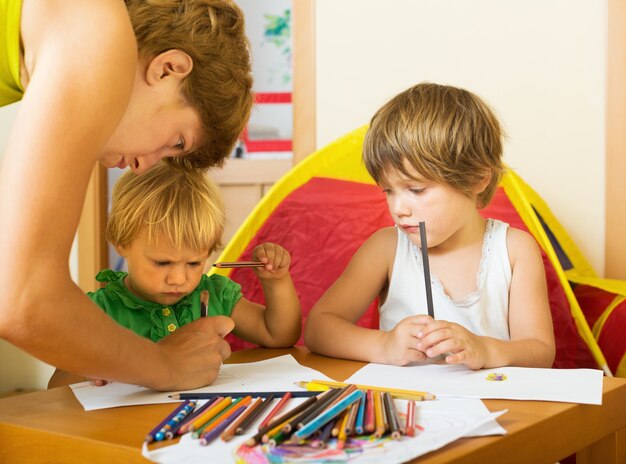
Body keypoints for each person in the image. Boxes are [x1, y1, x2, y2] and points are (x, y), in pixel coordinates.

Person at [0, 0, 254, 390]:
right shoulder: (96, 32)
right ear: (168, 68)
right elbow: (24, 301)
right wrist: (165, 365)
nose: (146, 165)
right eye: (177, 141)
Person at [305, 83, 556, 370]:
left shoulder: (514, 250)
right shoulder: (386, 248)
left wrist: (485, 349)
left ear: (477, 179)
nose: (398, 208)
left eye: (416, 189)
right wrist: (384, 346)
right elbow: (318, 327)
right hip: (404, 410)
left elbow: (540, 351)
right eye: (388, 191)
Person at [49, 162, 301, 388]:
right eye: (162, 263)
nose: (179, 279)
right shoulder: (100, 311)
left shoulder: (212, 294)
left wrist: (276, 282)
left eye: (194, 263)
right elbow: (57, 387)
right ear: (120, 241)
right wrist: (92, 369)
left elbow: (278, 335)